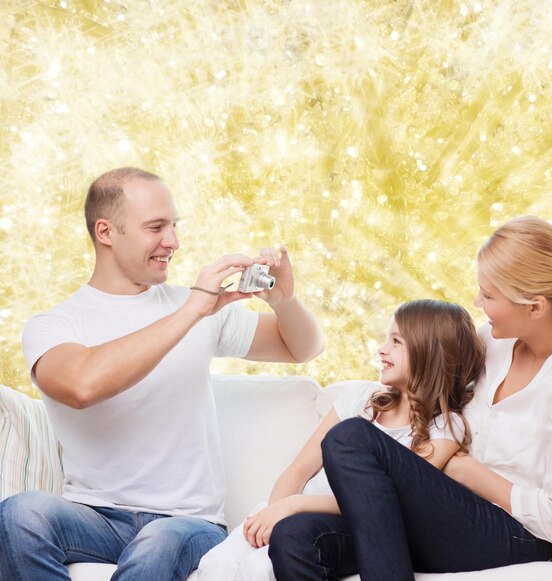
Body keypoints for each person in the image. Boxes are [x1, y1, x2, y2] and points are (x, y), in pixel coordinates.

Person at [0, 167, 324, 581]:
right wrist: (191, 309)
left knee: (158, 544)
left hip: (188, 524)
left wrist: (286, 301)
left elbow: (303, 347)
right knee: (19, 514)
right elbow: (82, 385)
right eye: (156, 227)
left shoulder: (202, 309)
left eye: (173, 226)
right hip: (95, 517)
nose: (173, 242)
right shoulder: (54, 325)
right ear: (106, 232)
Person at [269, 216, 552, 581]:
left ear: (534, 306)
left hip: (514, 534)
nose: (476, 301)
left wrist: (468, 472)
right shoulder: (492, 342)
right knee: (293, 538)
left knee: (350, 437)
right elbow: (428, 374)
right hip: (441, 511)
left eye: (488, 296)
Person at [195, 298, 486, 581]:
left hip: (341, 526)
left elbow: (383, 503)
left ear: (429, 352)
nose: (381, 349)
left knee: (281, 551)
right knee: (230, 564)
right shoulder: (361, 399)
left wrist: (295, 507)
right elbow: (298, 471)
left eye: (396, 342)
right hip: (290, 511)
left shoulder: (446, 429)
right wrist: (276, 511)